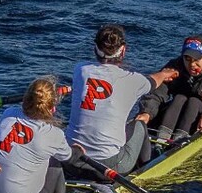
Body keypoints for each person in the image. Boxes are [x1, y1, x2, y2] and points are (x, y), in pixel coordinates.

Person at [65, 24, 178, 176]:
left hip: (71, 160)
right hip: (108, 167)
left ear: (95, 49)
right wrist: (164, 74)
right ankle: (146, 168)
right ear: (123, 50)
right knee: (138, 124)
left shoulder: (80, 70)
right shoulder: (132, 80)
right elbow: (153, 81)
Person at [137, 34, 202, 165]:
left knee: (194, 102)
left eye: (197, 59)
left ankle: (179, 142)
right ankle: (160, 142)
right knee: (179, 98)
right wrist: (146, 112)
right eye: (187, 59)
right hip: (176, 113)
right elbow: (156, 92)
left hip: (201, 115)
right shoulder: (175, 67)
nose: (192, 64)